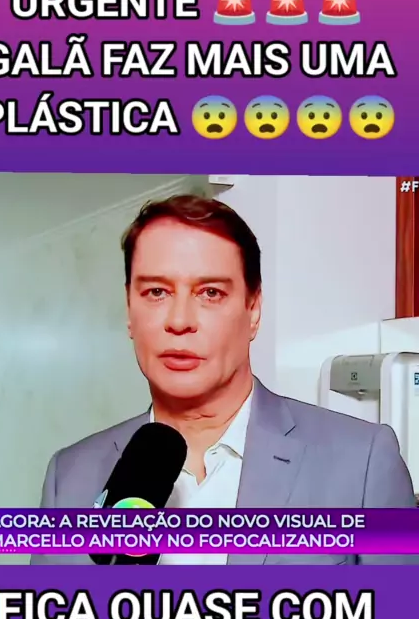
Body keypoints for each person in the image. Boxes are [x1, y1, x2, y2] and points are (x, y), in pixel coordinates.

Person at [32, 195, 417, 566]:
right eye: (156, 292)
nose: (179, 321)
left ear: (253, 310)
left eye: (210, 293)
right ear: (130, 309)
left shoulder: (362, 463)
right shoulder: (70, 477)